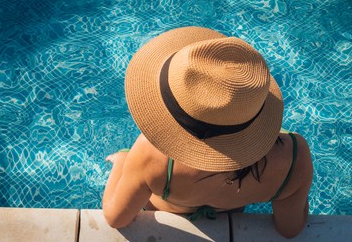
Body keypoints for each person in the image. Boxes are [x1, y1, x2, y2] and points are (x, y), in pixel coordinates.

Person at [102, 26, 313, 238]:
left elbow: (116, 217)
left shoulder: (151, 155)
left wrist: (123, 160)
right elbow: (289, 229)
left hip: (166, 211)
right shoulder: (293, 158)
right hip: (231, 211)